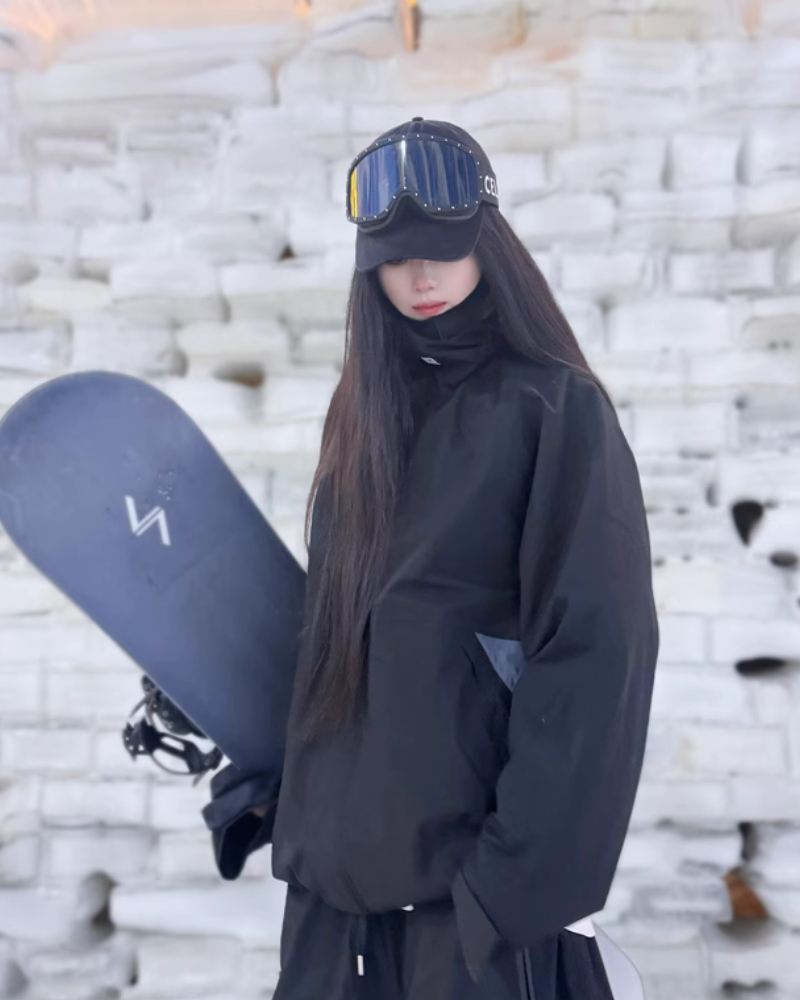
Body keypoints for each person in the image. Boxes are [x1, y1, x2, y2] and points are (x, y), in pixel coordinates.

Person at [201, 118, 660, 1000]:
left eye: (442, 251)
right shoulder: (362, 420)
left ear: (488, 244)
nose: (420, 276)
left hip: (470, 930)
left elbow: (597, 656)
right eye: (396, 257)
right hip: (331, 924)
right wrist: (282, 792)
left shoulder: (553, 411)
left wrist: (511, 893)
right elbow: (341, 642)